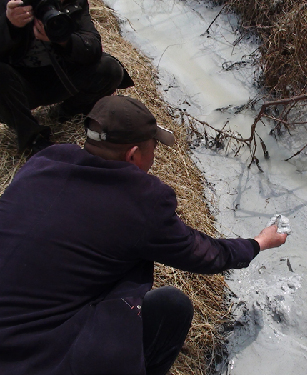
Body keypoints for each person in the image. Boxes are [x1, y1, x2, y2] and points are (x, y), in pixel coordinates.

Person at [0, 95, 288, 375]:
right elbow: (205, 254)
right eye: (153, 149)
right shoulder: (140, 200)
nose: (155, 155)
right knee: (172, 307)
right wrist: (258, 243)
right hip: (38, 359)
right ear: (133, 155)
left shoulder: (45, 161)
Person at [0, 0, 133, 153]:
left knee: (110, 69)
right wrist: (9, 24)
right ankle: (33, 139)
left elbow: (93, 46)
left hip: (60, 77)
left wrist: (65, 40)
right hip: (16, 84)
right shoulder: (11, 3)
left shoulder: (73, 2)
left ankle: (68, 110)